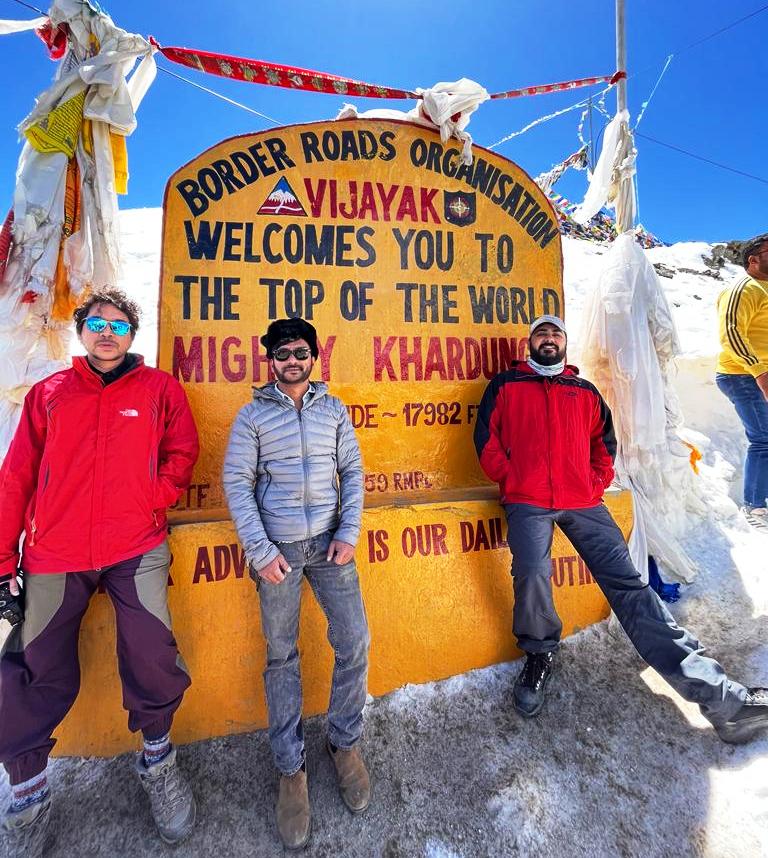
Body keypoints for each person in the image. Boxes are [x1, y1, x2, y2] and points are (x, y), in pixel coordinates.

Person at [473, 314, 768, 739]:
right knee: (533, 575)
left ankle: (722, 699)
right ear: (530, 343)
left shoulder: (585, 392)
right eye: (542, 333)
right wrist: (514, 478)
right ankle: (539, 653)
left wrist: (593, 482)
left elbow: (604, 445)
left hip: (585, 503)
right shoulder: (505, 386)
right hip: (528, 501)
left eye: (556, 332)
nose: (549, 338)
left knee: (631, 587)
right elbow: (486, 441)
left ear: (565, 343)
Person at [0, 289, 199, 857]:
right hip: (55, 553)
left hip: (135, 544)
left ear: (132, 334)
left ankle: (158, 762)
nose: (106, 332)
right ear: (82, 330)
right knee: (33, 664)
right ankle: (29, 790)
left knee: (152, 651)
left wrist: (151, 498)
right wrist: (2, 561)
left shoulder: (159, 389)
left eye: (118, 324)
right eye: (95, 323)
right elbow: (16, 477)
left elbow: (181, 453)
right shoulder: (49, 394)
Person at [223, 318, 369, 850]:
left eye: (300, 351)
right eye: (282, 352)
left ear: (314, 356)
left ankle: (345, 742)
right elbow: (236, 483)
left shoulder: (333, 410)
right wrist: (260, 553)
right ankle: (291, 770)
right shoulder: (252, 416)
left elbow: (352, 472)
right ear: (271, 360)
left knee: (354, 642)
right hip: (277, 554)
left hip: (332, 546)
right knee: (282, 656)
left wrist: (349, 532)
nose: (292, 359)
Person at [716, 232, 768, 531]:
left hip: (759, 375)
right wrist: (760, 373)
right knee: (763, 439)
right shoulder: (744, 288)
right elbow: (731, 334)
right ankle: (755, 507)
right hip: (743, 376)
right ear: (754, 259)